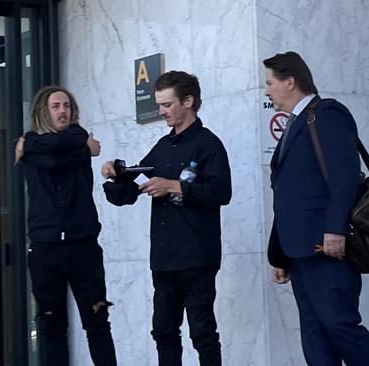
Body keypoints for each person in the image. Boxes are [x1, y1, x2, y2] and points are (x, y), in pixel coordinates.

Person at [101, 71, 232, 366]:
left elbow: (221, 192)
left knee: (202, 333)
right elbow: (133, 185)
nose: (161, 112)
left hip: (198, 256)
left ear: (189, 101)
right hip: (163, 258)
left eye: (167, 105)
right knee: (163, 331)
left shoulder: (209, 144)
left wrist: (175, 186)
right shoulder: (163, 146)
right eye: (159, 105)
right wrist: (115, 172)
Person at [264, 51, 369, 366]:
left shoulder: (328, 113)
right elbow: (288, 196)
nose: (266, 91)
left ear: (289, 81)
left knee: (339, 324)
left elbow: (344, 176)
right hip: (298, 250)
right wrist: (280, 254)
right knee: (314, 333)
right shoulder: (294, 124)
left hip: (325, 244)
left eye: (270, 83)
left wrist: (334, 229)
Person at [16, 85, 116, 366]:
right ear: (43, 111)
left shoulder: (74, 137)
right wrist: (85, 151)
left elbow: (62, 145)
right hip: (45, 247)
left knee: (97, 322)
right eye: (56, 106)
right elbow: (52, 154)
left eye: (66, 106)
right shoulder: (51, 144)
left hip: (83, 243)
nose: (63, 111)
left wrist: (82, 146)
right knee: (51, 325)